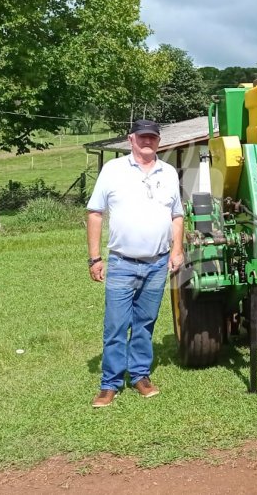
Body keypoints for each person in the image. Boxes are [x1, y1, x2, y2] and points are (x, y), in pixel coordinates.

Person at [86, 119, 185, 408]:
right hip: (121, 262)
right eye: (142, 137)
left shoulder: (168, 173)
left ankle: (140, 375)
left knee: (145, 323)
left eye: (152, 138)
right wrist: (95, 258)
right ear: (131, 139)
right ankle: (110, 383)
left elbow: (176, 215)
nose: (147, 142)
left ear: (158, 141)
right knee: (116, 324)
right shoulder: (113, 170)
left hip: (157, 263)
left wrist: (176, 250)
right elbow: (95, 213)